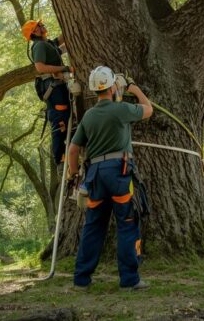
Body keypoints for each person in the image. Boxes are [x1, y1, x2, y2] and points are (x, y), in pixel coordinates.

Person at [67, 66, 153, 290]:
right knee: (126, 224)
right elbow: (148, 109)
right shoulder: (121, 109)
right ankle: (129, 280)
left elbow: (74, 149)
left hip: (95, 176)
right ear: (113, 86)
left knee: (93, 226)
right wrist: (134, 89)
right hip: (119, 172)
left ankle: (81, 279)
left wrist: (73, 174)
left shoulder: (89, 116)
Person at [23, 19, 73, 165]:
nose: (42, 26)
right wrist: (64, 69)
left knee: (68, 117)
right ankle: (60, 160)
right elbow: (40, 67)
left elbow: (61, 38)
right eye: (39, 25)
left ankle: (68, 155)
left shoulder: (48, 43)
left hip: (59, 87)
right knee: (60, 121)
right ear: (35, 31)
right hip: (54, 89)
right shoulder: (38, 46)